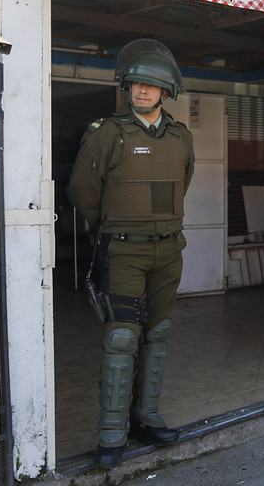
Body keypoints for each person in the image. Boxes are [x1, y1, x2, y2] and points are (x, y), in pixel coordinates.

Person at [68, 39, 195, 468]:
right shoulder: (107, 133)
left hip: (169, 250)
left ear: (166, 91)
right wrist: (114, 229)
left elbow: (183, 183)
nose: (142, 91)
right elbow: (83, 192)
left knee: (157, 334)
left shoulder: (181, 136)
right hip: (123, 252)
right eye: (136, 83)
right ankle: (111, 435)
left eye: (151, 85)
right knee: (122, 338)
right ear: (127, 86)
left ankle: (147, 417)